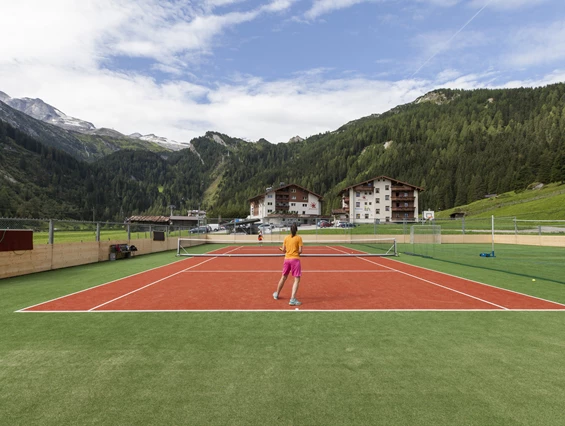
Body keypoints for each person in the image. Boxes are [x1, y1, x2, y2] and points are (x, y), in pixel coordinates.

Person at [273, 223, 303, 306]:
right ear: (296, 230)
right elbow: (300, 251)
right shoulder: (299, 238)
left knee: (283, 277)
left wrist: (283, 249)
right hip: (295, 260)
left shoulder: (286, 238)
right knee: (296, 279)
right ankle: (292, 299)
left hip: (287, 259)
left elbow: (284, 250)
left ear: (290, 230)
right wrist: (295, 251)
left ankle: (277, 294)